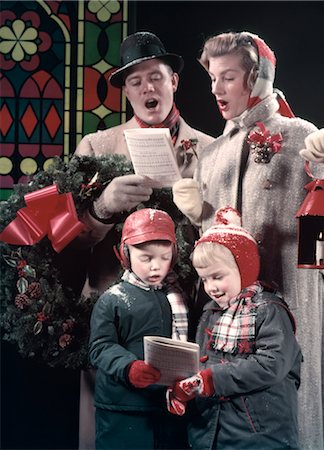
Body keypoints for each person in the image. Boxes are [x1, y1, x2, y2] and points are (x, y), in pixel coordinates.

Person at [172, 31, 324, 450]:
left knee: (292, 410)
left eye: (228, 77)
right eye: (212, 78)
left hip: (290, 300)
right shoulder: (214, 152)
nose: (216, 89)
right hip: (228, 314)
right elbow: (211, 243)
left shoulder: (300, 135)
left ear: (256, 79)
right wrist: (196, 214)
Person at [71, 31, 214, 448]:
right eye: (135, 81)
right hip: (112, 317)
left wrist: (199, 212)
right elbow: (66, 244)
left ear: (174, 82)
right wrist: (101, 207)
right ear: (126, 92)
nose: (147, 87)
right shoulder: (96, 148)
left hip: (188, 314)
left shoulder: (211, 149)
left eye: (156, 76)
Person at [166, 206, 302, 449]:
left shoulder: (268, 309)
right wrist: (187, 387)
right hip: (212, 430)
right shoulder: (211, 311)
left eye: (218, 276)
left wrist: (211, 380)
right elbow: (202, 362)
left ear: (244, 268)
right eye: (204, 279)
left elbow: (272, 364)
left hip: (258, 433)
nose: (211, 287)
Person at [88, 208, 190, 449]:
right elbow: (100, 347)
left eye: (164, 257)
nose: (156, 267)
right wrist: (128, 367)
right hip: (123, 407)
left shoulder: (177, 297)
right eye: (146, 258)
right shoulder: (112, 300)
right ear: (126, 255)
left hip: (167, 406)